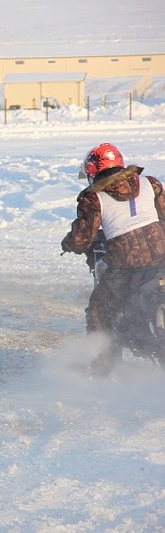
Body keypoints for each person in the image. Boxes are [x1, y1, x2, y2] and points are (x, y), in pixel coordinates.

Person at [61, 143, 165, 374]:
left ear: (93, 171)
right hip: (161, 260)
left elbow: (82, 240)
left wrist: (67, 243)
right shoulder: (151, 183)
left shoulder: (93, 197)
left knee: (99, 311)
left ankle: (103, 368)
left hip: (127, 267)